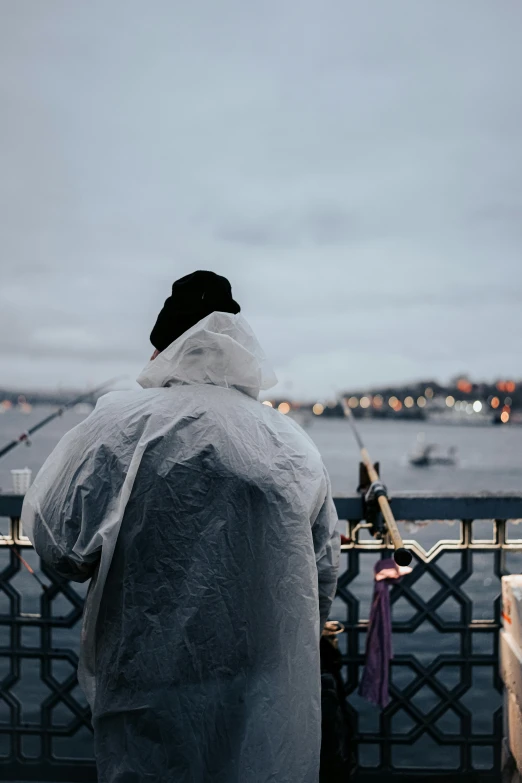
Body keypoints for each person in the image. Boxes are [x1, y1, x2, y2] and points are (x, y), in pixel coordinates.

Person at [22, 271, 340, 783]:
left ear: (164, 350)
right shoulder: (291, 444)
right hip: (258, 686)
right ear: (241, 348)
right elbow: (320, 573)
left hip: (147, 684)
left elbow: (60, 545)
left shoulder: (120, 427)